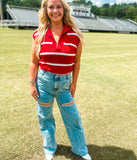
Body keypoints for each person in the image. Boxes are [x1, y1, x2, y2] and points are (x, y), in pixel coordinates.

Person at [29, 0, 91, 160]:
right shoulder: (39, 34)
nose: (55, 10)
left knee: (73, 117)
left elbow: (77, 62)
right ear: (45, 10)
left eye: (58, 7)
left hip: (65, 83)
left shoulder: (75, 34)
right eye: (51, 7)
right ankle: (49, 147)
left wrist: (74, 84)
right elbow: (34, 62)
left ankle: (80, 149)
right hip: (43, 82)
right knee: (45, 117)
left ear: (64, 10)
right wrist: (31, 83)